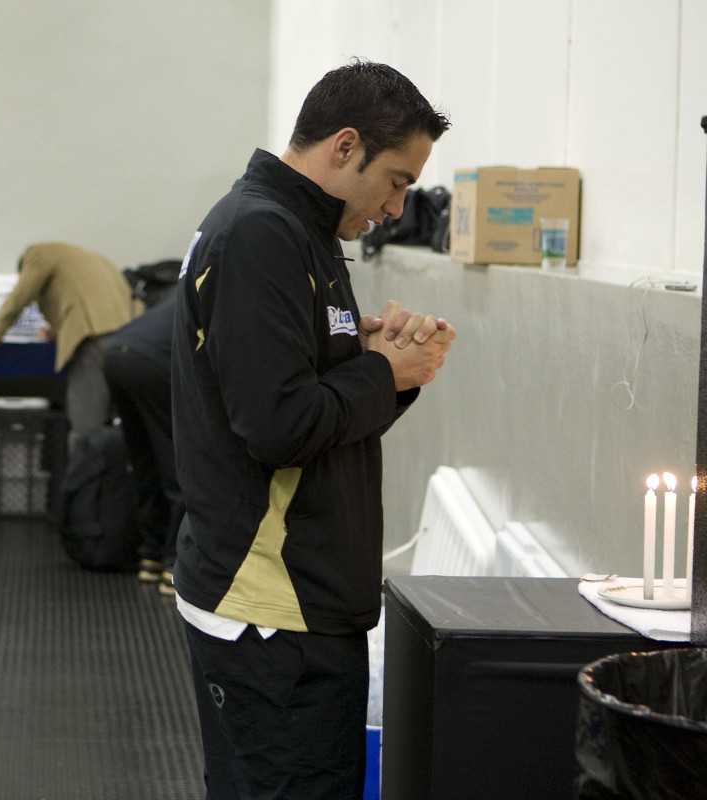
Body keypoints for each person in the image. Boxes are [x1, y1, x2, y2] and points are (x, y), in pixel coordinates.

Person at [170, 60, 455, 799]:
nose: (396, 207)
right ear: (345, 146)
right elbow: (281, 426)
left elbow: (317, 406)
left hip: (300, 600)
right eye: (395, 180)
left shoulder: (301, 231)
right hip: (270, 610)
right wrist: (381, 371)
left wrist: (383, 363)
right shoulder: (263, 234)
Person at [0, 241, 140, 441]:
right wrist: (61, 330)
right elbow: (89, 299)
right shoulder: (93, 258)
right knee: (119, 429)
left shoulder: (36, 254)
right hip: (132, 341)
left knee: (85, 430)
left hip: (95, 343)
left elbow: (20, 296)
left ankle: (84, 472)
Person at [102, 295, 182, 594]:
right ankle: (174, 564)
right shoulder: (228, 295)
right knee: (178, 464)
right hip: (154, 363)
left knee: (145, 463)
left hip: (116, 354)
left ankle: (150, 557)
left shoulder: (184, 289)